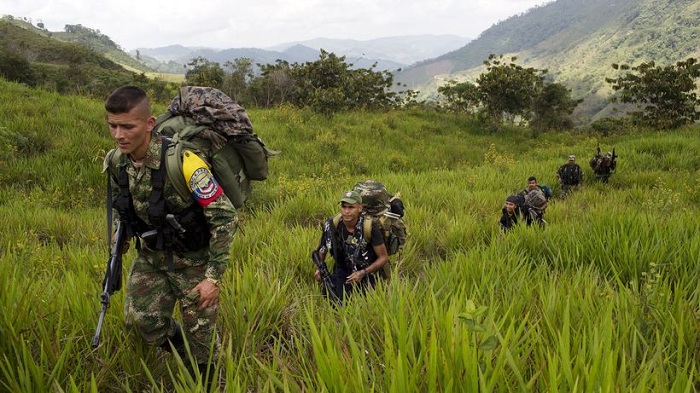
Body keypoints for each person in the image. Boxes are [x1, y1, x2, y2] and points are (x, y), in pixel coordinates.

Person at [103, 86, 237, 388]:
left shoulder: (184, 161)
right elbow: (121, 206)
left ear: (149, 124)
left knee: (202, 339)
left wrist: (213, 278)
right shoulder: (116, 161)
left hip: (194, 263)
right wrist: (119, 238)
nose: (118, 135)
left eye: (128, 126)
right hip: (151, 257)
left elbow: (225, 217)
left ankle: (205, 381)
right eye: (113, 125)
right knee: (140, 322)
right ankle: (181, 350)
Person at [314, 190, 389, 302]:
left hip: (365, 270)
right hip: (342, 267)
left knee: (366, 302)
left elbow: (383, 257)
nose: (346, 211)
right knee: (334, 300)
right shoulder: (333, 224)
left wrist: (363, 273)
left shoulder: (369, 227)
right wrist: (319, 268)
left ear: (360, 208)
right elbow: (323, 248)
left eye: (351, 207)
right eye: (344, 207)